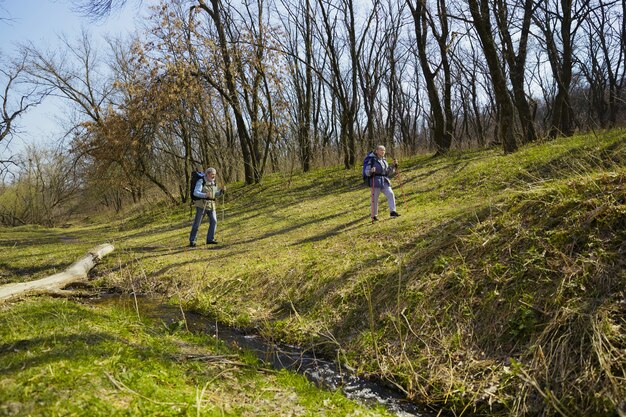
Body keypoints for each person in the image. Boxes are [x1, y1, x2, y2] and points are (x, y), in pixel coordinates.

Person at [189, 167, 225, 247]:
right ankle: (192, 240)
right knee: (197, 223)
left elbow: (215, 194)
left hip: (211, 205)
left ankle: (210, 239)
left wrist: (221, 191)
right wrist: (204, 195)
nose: (214, 176)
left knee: (214, 221)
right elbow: (196, 192)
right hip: (202, 205)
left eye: (215, 175)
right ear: (208, 174)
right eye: (212, 174)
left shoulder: (213, 182)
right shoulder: (201, 181)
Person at [364, 145, 400, 221]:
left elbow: (387, 172)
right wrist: (371, 171)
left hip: (385, 180)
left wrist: (393, 166)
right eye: (381, 150)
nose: (383, 151)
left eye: (384, 150)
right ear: (376, 151)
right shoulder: (372, 160)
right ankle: (374, 216)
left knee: (390, 193)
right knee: (375, 199)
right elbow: (366, 172)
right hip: (375, 181)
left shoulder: (384, 160)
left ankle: (393, 212)